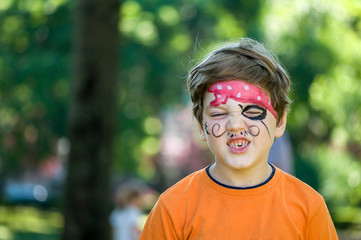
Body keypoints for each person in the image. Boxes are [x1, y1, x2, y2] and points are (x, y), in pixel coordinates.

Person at [139, 38, 338, 239]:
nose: (235, 125)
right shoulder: (172, 208)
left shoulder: (309, 207)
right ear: (201, 126)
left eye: (252, 111)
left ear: (280, 122)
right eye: (218, 113)